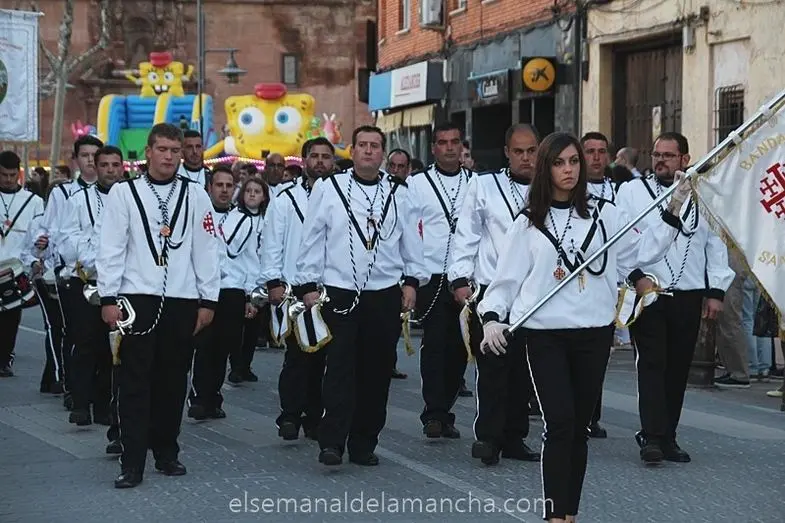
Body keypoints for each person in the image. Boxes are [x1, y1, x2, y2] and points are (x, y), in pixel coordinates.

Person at [478, 132, 685, 522]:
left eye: (574, 161)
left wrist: (673, 209)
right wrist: (491, 317)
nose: (569, 170)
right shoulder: (528, 222)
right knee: (559, 423)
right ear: (546, 168)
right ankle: (554, 515)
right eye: (559, 163)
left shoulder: (606, 214)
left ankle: (568, 513)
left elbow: (641, 253)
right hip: (545, 335)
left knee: (578, 430)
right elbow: (506, 281)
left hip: (594, 333)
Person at [293, 126, 427, 466]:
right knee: (339, 369)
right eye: (362, 145)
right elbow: (312, 237)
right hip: (341, 291)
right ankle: (332, 441)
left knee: (376, 372)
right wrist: (308, 285)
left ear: (383, 153)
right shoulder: (329, 188)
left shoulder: (399, 192)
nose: (368, 151)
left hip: (383, 293)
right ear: (352, 151)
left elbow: (411, 242)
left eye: (375, 146)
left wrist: (412, 281)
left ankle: (364, 442)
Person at [97, 123, 220, 488]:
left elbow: (206, 249)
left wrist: (208, 299)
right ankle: (132, 461)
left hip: (182, 299)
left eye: (175, 150)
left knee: (173, 381)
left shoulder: (196, 195)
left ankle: (167, 451)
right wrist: (108, 296)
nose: (169, 157)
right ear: (148, 152)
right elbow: (111, 247)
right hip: (137, 298)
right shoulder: (124, 193)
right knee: (134, 383)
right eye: (162, 149)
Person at [616, 132, 735, 465]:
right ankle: (651, 435)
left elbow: (715, 243)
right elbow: (621, 239)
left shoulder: (702, 195)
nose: (660, 161)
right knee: (652, 364)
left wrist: (716, 290)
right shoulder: (632, 192)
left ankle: (668, 435)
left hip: (689, 293)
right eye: (656, 155)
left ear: (684, 159)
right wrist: (635, 277)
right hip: (650, 292)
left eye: (668, 155)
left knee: (678, 367)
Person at [448, 124, 541, 465]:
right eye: (519, 151)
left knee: (523, 370)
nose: (526, 158)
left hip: (532, 292)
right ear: (506, 152)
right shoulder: (484, 185)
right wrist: (460, 278)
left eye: (531, 151)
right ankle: (488, 437)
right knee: (492, 366)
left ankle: (514, 436)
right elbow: (467, 233)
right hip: (491, 289)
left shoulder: (549, 188)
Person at [261, 137, 335, 440]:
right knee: (297, 357)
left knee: (325, 360)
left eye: (326, 157)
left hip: (330, 288)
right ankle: (290, 414)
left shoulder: (342, 196)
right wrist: (273, 281)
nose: (320, 162)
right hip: (294, 290)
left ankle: (315, 417)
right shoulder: (285, 199)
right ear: (304, 161)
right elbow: (272, 241)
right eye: (314, 156)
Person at [407, 121, 474, 439]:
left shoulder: (475, 183)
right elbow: (409, 229)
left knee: (461, 348)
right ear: (433, 148)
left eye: (454, 142)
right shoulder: (417, 183)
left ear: (462, 146)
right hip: (432, 274)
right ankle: (433, 412)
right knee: (435, 345)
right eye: (443, 142)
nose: (449, 147)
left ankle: (445, 409)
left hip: (466, 275)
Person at [59, 146, 125, 429]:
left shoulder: (130, 199)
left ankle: (103, 405)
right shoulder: (78, 200)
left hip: (120, 285)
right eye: (105, 165)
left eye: (115, 165)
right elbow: (66, 239)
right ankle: (80, 403)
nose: (110, 170)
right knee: (85, 342)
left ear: (122, 167)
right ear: (96, 167)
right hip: (87, 281)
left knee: (112, 348)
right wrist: (92, 256)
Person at [37, 135, 103, 409]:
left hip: (103, 276)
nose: (90, 161)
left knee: (99, 335)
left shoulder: (115, 192)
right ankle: (71, 386)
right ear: (75, 160)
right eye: (85, 155)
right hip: (71, 274)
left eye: (94, 156)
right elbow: (51, 229)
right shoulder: (62, 193)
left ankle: (96, 389)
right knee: (74, 331)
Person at [188, 165, 260, 419]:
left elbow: (250, 259)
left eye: (229, 186)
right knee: (203, 346)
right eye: (219, 185)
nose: (224, 190)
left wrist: (251, 295)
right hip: (204, 291)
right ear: (210, 187)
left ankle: (213, 398)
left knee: (223, 348)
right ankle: (198, 398)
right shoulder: (198, 216)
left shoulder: (243, 220)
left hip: (232, 291)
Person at [0, 151, 45, 377]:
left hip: (16, 268)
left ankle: (4, 359)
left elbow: (40, 232)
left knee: (11, 316)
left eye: (12, 175)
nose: (8, 180)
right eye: (3, 175)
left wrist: (38, 254)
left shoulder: (34, 202)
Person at [227, 177, 269, 381]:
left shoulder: (267, 220)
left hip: (260, 281)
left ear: (264, 197)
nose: (252, 194)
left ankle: (246, 365)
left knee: (254, 328)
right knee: (237, 329)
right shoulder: (235, 217)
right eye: (248, 190)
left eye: (257, 191)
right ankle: (235, 366)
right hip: (240, 279)